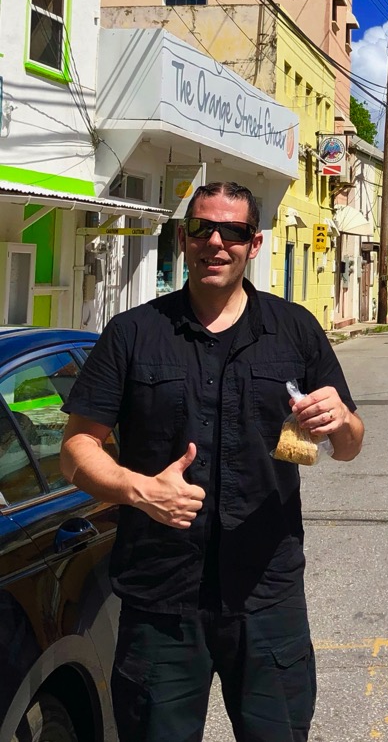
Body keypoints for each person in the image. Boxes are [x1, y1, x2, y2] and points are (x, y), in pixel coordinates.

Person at [61, 180, 365, 742]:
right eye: (203, 228)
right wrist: (138, 489)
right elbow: (77, 450)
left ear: (254, 244)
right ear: (184, 238)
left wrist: (341, 423)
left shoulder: (294, 330)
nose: (216, 241)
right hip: (161, 601)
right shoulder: (133, 334)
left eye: (234, 231)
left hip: (267, 596)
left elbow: (349, 444)